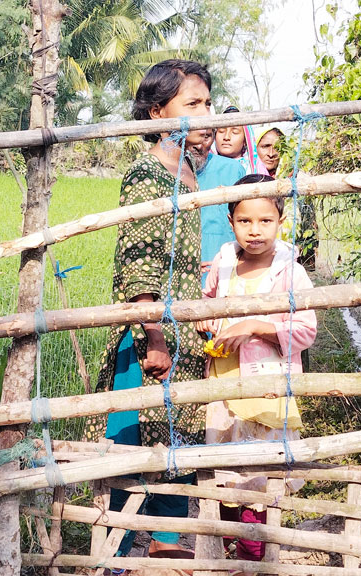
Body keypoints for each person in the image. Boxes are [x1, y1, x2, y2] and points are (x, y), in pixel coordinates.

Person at [95, 58, 211, 560]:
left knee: (175, 453)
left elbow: (176, 258)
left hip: (179, 335)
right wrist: (157, 341)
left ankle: (165, 554)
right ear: (156, 112)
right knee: (130, 452)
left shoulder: (187, 173)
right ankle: (115, 559)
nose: (204, 114)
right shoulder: (147, 173)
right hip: (148, 340)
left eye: (207, 103)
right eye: (193, 104)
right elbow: (141, 265)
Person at [196, 174, 317, 567]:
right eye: (245, 220)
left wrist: (252, 326)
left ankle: (254, 562)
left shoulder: (291, 272)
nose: (255, 230)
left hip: (265, 389)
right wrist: (208, 324)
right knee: (227, 478)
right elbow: (208, 305)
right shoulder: (224, 263)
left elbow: (305, 330)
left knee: (259, 482)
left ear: (281, 221)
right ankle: (235, 559)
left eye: (265, 220)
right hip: (223, 386)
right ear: (231, 221)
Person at [190, 130, 246, 285]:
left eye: (206, 137)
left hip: (225, 269)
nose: (199, 145)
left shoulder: (232, 169)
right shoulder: (166, 172)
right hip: (181, 272)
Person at [215, 105, 268, 176]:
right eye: (221, 131)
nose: (226, 137)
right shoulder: (205, 166)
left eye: (235, 132)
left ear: (245, 140)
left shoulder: (256, 168)